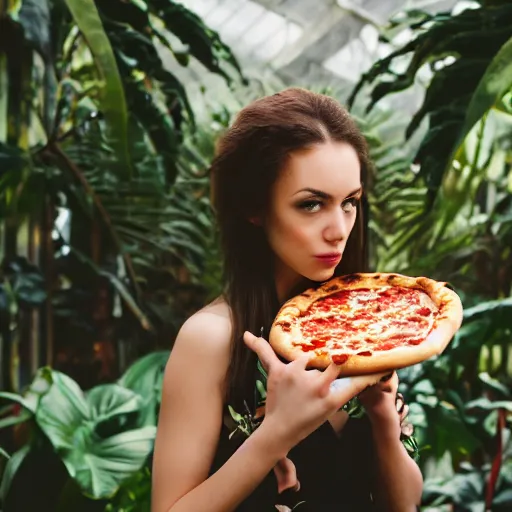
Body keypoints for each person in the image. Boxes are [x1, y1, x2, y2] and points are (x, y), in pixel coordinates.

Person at [151, 88, 423, 511]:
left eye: (349, 203)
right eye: (311, 204)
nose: (338, 229)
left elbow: (403, 506)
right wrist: (275, 434)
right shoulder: (211, 340)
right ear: (254, 207)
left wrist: (383, 415)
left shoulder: (362, 322)